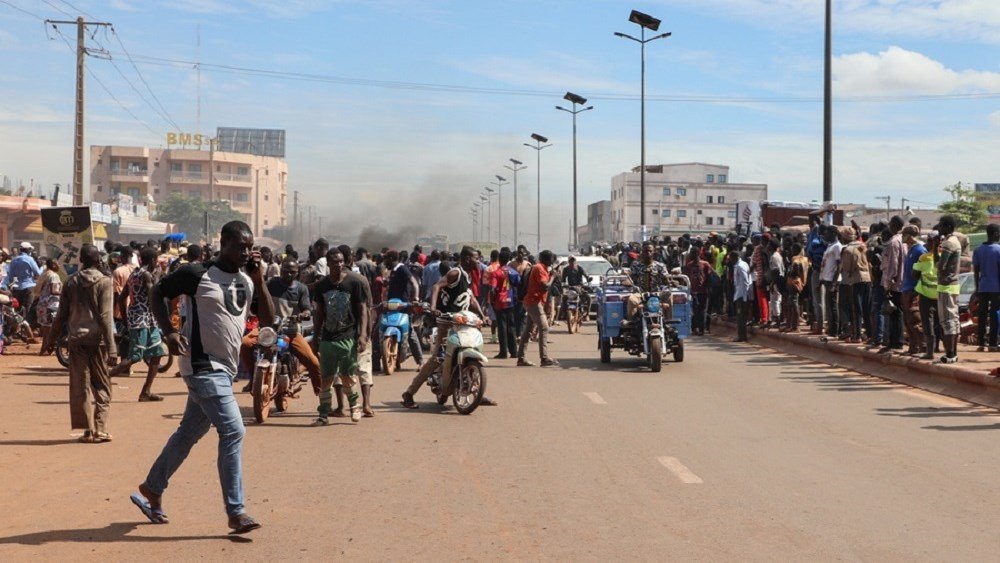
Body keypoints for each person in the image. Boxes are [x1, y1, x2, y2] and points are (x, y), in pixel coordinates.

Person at [132, 221, 272, 535]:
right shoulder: (197, 274)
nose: (245, 253)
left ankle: (152, 488)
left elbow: (268, 319)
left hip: (226, 368)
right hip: (201, 366)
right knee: (233, 431)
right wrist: (169, 332)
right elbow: (158, 292)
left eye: (249, 247)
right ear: (224, 244)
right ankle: (236, 512)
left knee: (189, 432)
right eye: (240, 246)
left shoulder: (247, 281)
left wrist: (260, 280)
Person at [41, 244, 117, 443]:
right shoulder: (105, 282)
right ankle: (100, 428)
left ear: (81, 260)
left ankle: (88, 430)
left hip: (76, 340)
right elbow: (105, 317)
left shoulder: (71, 282)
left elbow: (61, 315)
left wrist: (50, 340)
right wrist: (112, 348)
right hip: (98, 341)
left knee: (80, 386)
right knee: (102, 386)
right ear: (98, 260)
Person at [402, 246, 490, 407]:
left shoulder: (468, 276)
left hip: (463, 322)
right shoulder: (455, 273)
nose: (478, 261)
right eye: (476, 258)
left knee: (472, 348)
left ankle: (476, 390)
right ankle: (409, 393)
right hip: (447, 322)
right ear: (467, 259)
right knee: (438, 358)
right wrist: (433, 308)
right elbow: (436, 286)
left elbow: (471, 299)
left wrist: (483, 316)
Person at [238, 258, 322, 411]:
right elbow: (259, 298)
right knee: (245, 344)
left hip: (290, 331)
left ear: (297, 273)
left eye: (292, 272)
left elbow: (307, 308)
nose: (288, 274)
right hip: (267, 329)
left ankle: (322, 394)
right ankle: (253, 378)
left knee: (313, 362)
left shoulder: (301, 288)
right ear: (281, 270)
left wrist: (304, 313)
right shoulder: (271, 284)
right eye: (285, 271)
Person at [310, 249, 368, 425]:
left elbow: (362, 310)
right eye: (335, 262)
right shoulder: (321, 286)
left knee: (348, 376)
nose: (339, 264)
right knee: (326, 378)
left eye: (341, 261)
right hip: (328, 339)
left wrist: (363, 334)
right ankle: (323, 415)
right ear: (328, 263)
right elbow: (319, 313)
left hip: (348, 337)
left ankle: (354, 407)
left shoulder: (354, 283)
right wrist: (316, 335)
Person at [110, 247, 168, 401]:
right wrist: (158, 277)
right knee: (135, 356)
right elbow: (153, 296)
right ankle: (102, 378)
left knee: (157, 354)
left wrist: (125, 318)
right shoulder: (146, 275)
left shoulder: (134, 274)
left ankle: (146, 392)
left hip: (145, 320)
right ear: (153, 261)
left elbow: (121, 298)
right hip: (142, 320)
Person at [517, 249, 558, 367]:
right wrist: (553, 277)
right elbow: (545, 286)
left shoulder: (542, 268)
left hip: (534, 301)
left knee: (528, 330)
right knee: (544, 327)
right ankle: (544, 358)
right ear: (546, 259)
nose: (552, 261)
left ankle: (521, 358)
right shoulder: (539, 268)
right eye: (551, 259)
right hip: (533, 302)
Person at [936, 215, 962, 363]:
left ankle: (950, 354)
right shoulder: (955, 241)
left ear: (948, 227)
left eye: (941, 225)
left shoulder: (948, 243)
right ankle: (953, 353)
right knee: (954, 319)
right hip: (953, 285)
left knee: (947, 320)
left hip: (946, 286)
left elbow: (940, 266)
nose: (939, 228)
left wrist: (936, 249)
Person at [880, 216, 908, 353]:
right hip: (903, 283)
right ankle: (896, 341)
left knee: (894, 313)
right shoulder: (905, 241)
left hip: (895, 284)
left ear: (895, 225)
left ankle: (895, 343)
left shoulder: (894, 242)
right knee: (898, 313)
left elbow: (893, 264)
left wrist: (889, 283)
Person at [839, 230, 871, 344]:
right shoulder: (863, 246)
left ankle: (857, 335)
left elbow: (847, 268)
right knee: (866, 308)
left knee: (856, 309)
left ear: (845, 238)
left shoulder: (848, 250)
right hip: (867, 278)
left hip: (855, 279)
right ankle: (869, 334)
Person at [973, 224, 1000, 352]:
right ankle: (993, 343)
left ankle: (981, 343)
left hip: (982, 287)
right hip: (996, 288)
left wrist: (977, 288)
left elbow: (976, 271)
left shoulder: (978, 250)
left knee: (982, 314)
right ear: (996, 234)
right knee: (995, 314)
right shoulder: (998, 250)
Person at [913, 232, 940, 360]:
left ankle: (930, 352)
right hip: (941, 293)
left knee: (928, 322)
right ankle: (938, 347)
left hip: (925, 293)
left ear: (930, 242)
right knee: (940, 322)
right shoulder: (945, 256)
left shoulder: (923, 258)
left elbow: (914, 274)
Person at [901, 226, 927, 355]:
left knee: (916, 319)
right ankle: (913, 348)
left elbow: (923, 271)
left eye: (904, 235)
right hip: (906, 289)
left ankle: (923, 347)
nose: (903, 237)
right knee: (908, 321)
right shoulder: (910, 250)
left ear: (910, 236)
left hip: (914, 290)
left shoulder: (920, 250)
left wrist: (917, 289)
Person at [6, 242, 42, 335]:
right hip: (28, 287)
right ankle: (27, 331)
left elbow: (10, 276)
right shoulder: (29, 259)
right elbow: (38, 273)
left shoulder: (14, 260)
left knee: (17, 309)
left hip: (16, 288)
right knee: (29, 309)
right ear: (28, 250)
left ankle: (16, 330)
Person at [490, 249, 517, 359]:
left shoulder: (496, 273)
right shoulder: (513, 272)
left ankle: (503, 352)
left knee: (502, 328)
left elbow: (492, 289)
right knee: (511, 326)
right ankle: (514, 351)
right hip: (510, 301)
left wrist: (492, 301)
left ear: (499, 259)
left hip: (500, 302)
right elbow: (518, 283)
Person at [684, 247, 714, 336]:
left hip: (703, 291)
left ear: (697, 253)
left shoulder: (705, 264)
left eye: (693, 253)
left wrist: (709, 288)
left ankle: (702, 329)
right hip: (692, 291)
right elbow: (686, 278)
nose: (691, 254)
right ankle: (694, 328)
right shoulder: (689, 265)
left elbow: (709, 276)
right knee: (694, 310)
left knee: (702, 310)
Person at [819, 226, 842, 338]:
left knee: (833, 306)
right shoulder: (830, 245)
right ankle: (831, 328)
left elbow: (839, 265)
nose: (825, 235)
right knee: (829, 305)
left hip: (833, 280)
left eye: (827, 233)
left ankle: (836, 330)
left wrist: (834, 282)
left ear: (833, 234)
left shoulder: (837, 246)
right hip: (827, 279)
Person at [34, 259, 63, 347]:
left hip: (42, 304)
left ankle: (44, 348)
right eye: (57, 264)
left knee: (46, 328)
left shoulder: (44, 274)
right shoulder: (54, 276)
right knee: (50, 328)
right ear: (53, 265)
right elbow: (53, 291)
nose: (59, 266)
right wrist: (65, 293)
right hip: (51, 304)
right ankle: (46, 347)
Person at [784, 243, 809, 333]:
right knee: (793, 303)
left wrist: (790, 274)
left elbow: (796, 271)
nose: (791, 251)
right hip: (801, 283)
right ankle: (792, 325)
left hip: (794, 283)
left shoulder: (795, 259)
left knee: (794, 303)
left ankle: (795, 326)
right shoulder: (805, 259)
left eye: (792, 249)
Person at [731, 250, 752, 342]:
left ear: (735, 257)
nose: (730, 260)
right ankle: (742, 335)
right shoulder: (742, 264)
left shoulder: (740, 266)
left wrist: (744, 297)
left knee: (741, 317)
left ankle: (741, 336)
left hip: (741, 295)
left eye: (731, 258)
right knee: (742, 316)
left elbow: (745, 281)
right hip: (740, 294)